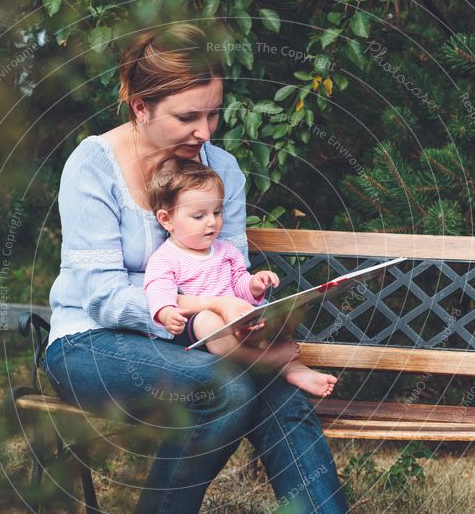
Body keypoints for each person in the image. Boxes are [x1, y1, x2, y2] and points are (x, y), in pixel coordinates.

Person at [43, 23, 433, 514]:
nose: (205, 131)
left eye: (214, 113)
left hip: (198, 343)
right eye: (187, 116)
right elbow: (102, 296)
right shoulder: (92, 164)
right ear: (139, 106)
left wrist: (248, 316)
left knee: (277, 397)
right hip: (90, 344)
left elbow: (230, 271)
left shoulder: (220, 168)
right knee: (224, 386)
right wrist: (191, 316)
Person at [143, 156, 338, 398]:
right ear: (167, 219)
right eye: (199, 216)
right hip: (200, 336)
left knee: (268, 318)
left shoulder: (226, 251)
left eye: (216, 211)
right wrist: (166, 313)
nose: (212, 222)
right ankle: (261, 362)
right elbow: (158, 290)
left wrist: (255, 285)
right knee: (208, 322)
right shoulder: (165, 258)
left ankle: (295, 369)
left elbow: (238, 284)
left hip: (239, 326)